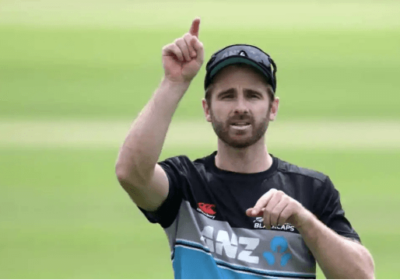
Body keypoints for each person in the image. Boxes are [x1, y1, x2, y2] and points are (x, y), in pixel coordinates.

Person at [115, 18, 375, 279]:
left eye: (253, 95)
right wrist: (174, 82)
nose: (240, 107)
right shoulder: (186, 185)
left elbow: (362, 276)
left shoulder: (310, 190)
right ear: (207, 109)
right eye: (227, 96)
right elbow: (131, 174)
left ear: (272, 108)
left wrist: (303, 220)